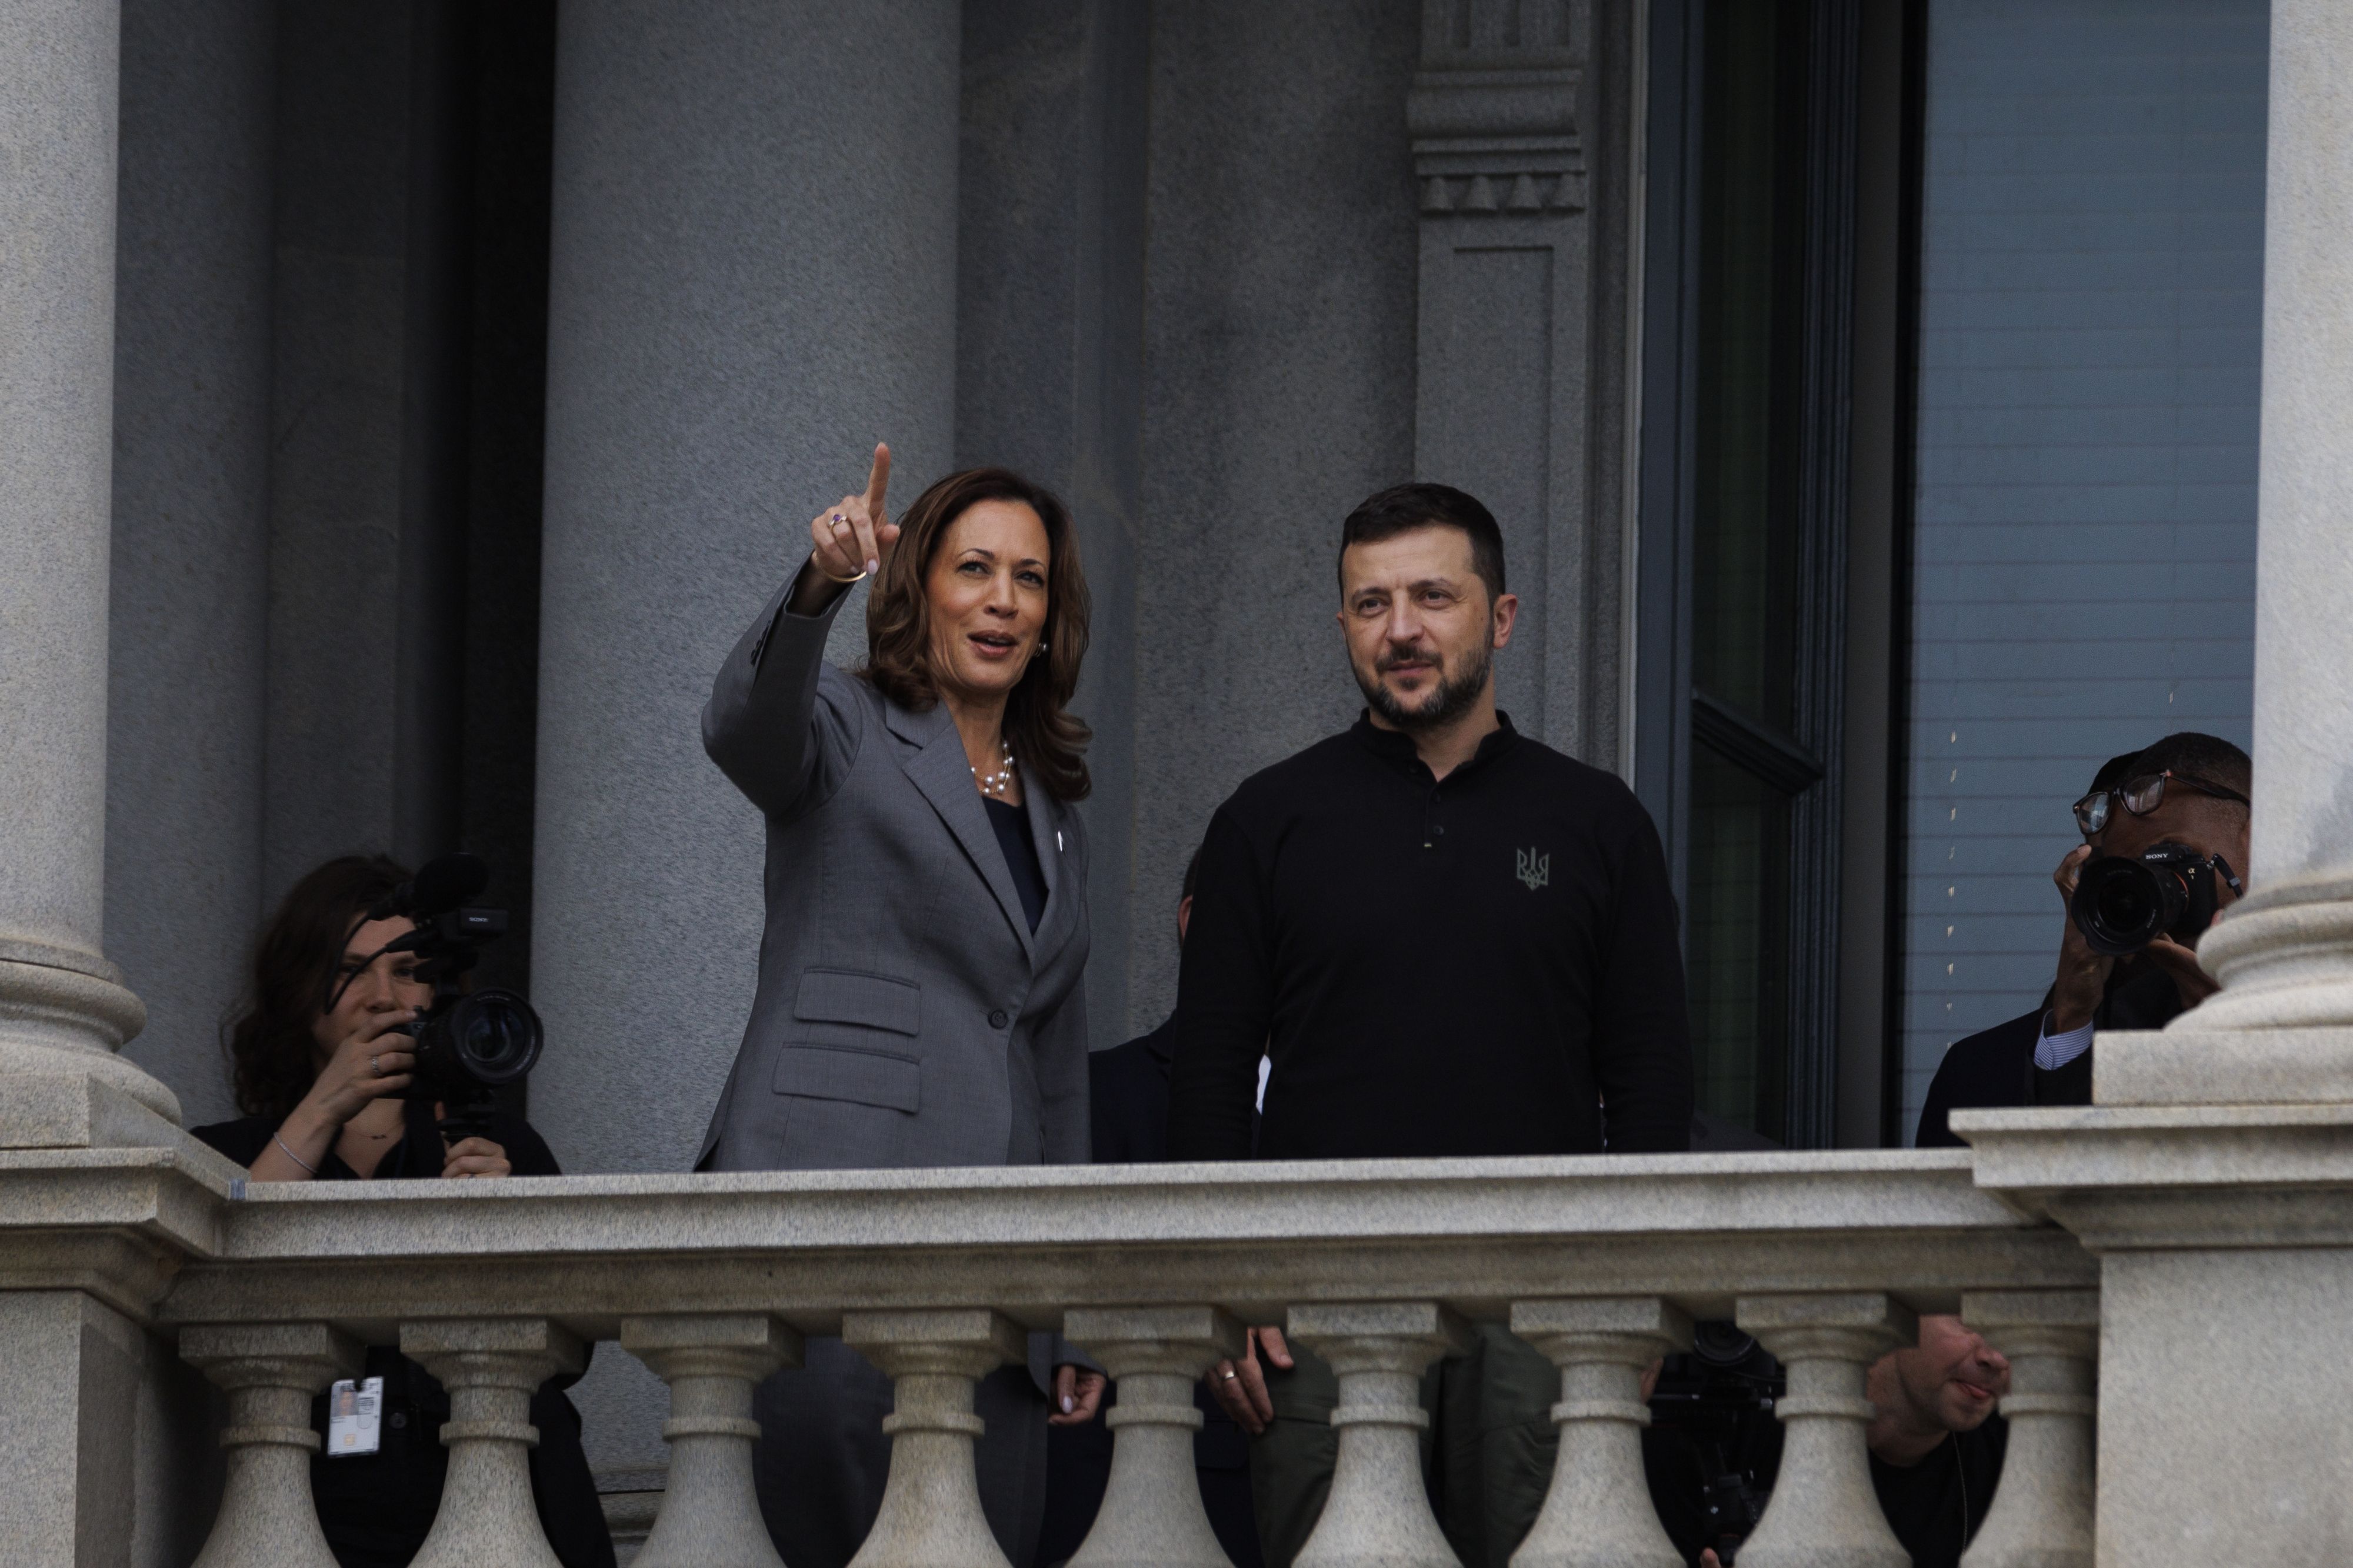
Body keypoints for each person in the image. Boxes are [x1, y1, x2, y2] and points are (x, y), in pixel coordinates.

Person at [1165, 482, 1695, 1568]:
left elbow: (1648, 1080)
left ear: (1499, 617)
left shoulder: (1599, 822)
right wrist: (1223, 1289)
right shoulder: (1265, 822)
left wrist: (1653, 1299)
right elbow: (1209, 1074)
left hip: (1545, 1299)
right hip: (1319, 1296)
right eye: (1369, 603)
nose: (1400, 629)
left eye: (1431, 597)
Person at [696, 446, 1105, 1568]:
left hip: (998, 1255)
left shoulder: (1056, 799)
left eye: (1029, 579)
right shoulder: (846, 724)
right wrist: (816, 583)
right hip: (835, 1211)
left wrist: (1066, 1303)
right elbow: (741, 729)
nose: (1003, 601)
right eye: (975, 568)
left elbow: (1056, 1058)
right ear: (918, 581)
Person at [189, 855, 614, 1568]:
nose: (384, 996)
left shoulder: (498, 1141)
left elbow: (575, 1349)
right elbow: (217, 1284)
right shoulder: (230, 1151)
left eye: (409, 970)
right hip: (314, 1511)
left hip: (500, 1505)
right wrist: (324, 1106)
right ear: (299, 988)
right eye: (355, 970)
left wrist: (511, 1222)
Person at [1035, 848, 1262, 1568]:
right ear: (1195, 924)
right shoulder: (1099, 1095)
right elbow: (1074, 1348)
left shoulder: (1365, 1119)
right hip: (1156, 1513)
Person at [1917, 731, 2251, 1144]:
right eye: (2131, 873)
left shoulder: (2323, 992)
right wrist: (2072, 1015)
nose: (2154, 890)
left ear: (2255, 843)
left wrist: (2229, 1026)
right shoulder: (1981, 1069)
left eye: (2178, 859)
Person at [1656, 1316, 2012, 1568]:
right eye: (1971, 1322)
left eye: (2011, 1330)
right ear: (1902, 1305)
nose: (1996, 1358)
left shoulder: (2013, 1459)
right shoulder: (1732, 1425)